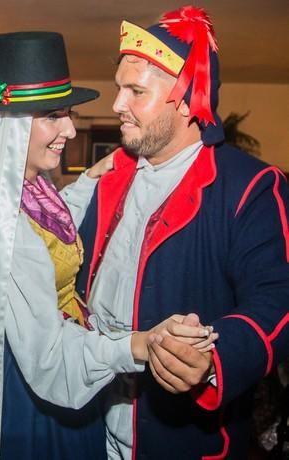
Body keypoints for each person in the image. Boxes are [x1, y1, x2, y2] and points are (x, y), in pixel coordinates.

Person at [0, 31, 215, 460]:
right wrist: (139, 344)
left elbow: (52, 218)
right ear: (13, 127)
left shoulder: (22, 190)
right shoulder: (9, 234)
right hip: (32, 393)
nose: (69, 128)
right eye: (52, 116)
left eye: (68, 113)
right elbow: (51, 356)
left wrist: (88, 180)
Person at [70, 6, 289, 458]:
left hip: (174, 438)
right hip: (86, 421)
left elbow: (278, 299)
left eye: (136, 91)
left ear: (189, 101)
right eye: (119, 90)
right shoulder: (111, 177)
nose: (116, 106)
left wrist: (212, 360)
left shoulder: (250, 187)